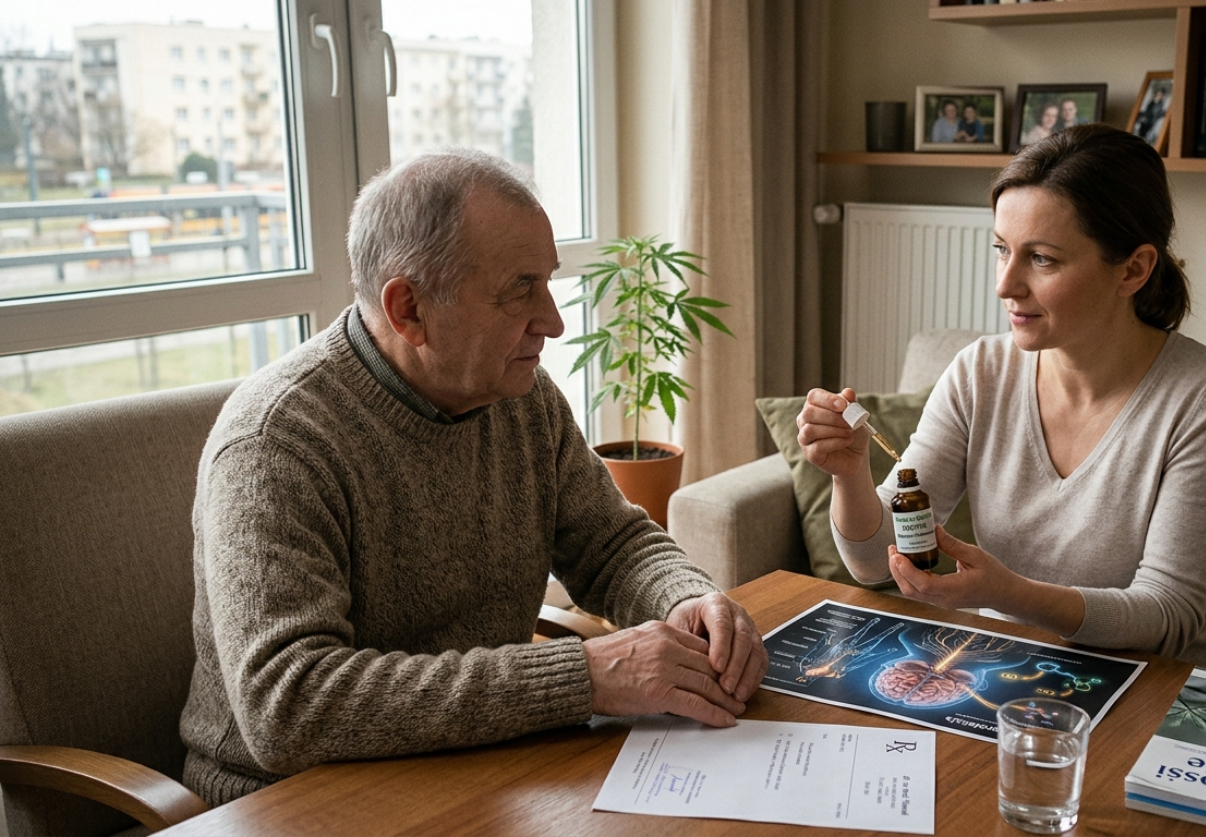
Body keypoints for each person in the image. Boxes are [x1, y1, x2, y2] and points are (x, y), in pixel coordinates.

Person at [180, 148, 768, 806]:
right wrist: (582, 675)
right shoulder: (277, 442)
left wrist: (684, 597)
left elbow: (610, 542)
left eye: (548, 281)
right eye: (521, 288)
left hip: (471, 766)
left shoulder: (523, 396)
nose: (554, 320)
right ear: (408, 309)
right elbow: (289, 706)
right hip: (285, 801)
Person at [795, 125, 1206, 671]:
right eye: (1002, 250)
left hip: (1162, 689)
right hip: (1017, 670)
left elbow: (1168, 616)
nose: (1005, 285)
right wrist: (849, 474)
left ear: (1133, 269)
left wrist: (1007, 594)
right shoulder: (979, 372)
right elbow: (875, 563)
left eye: (1041, 259)